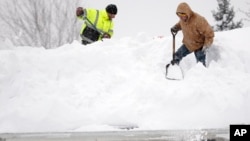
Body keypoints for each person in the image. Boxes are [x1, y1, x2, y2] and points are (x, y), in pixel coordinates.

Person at [170, 2, 214, 67]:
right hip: (188, 44)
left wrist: (206, 45)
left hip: (199, 45)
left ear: (187, 13)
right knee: (177, 56)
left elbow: (210, 33)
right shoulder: (182, 20)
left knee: (200, 64)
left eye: (183, 15)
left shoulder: (199, 20)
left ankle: (202, 75)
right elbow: (180, 24)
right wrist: (175, 27)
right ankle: (174, 68)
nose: (181, 17)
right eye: (179, 15)